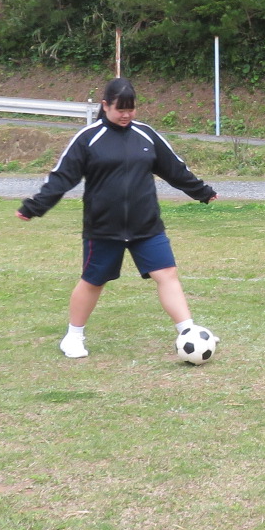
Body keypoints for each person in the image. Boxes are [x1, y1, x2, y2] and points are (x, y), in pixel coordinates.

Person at [18, 78, 219, 359]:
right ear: (105, 106)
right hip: (104, 228)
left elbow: (174, 168)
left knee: (167, 274)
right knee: (93, 280)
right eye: (120, 109)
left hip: (146, 225)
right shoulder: (89, 138)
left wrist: (202, 192)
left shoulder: (146, 135)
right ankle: (73, 337)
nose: (126, 115)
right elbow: (62, 177)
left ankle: (188, 331)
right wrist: (34, 207)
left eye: (131, 109)